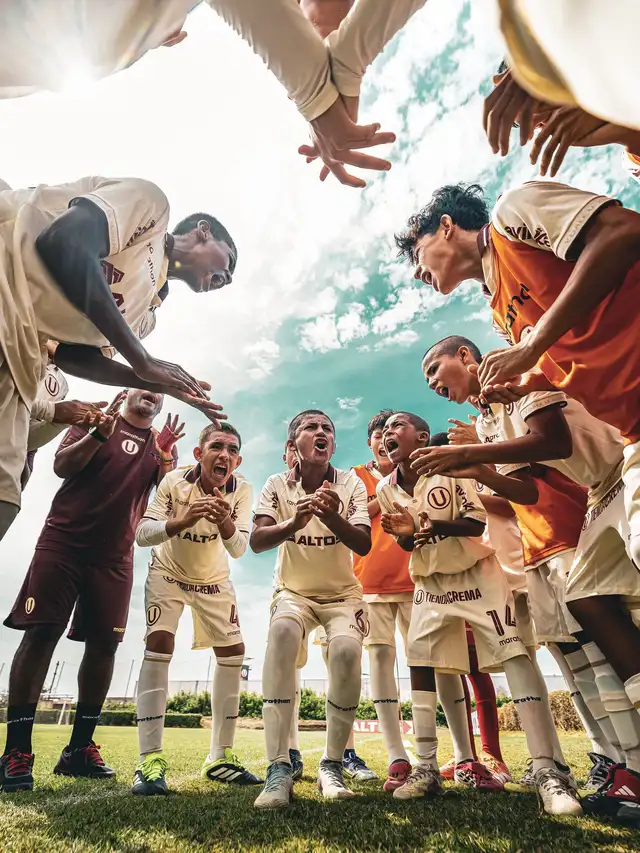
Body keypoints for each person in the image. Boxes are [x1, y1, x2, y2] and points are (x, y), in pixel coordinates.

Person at [416, 336, 640, 816]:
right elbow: (521, 492)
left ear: (467, 357)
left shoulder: (514, 373)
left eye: (435, 368)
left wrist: (468, 458)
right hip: (551, 537)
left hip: (599, 503)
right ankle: (618, 764)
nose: (432, 382)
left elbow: (553, 446)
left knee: (599, 643)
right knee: (579, 658)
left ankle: (628, 765)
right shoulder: (485, 418)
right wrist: (473, 465)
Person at [393, 181, 640, 572]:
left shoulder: (512, 214)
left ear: (446, 225)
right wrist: (528, 382)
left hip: (605, 470)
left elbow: (623, 231)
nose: (418, 271)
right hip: (631, 426)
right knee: (593, 593)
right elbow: (570, 356)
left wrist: (531, 348)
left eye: (418, 253)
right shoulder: (497, 307)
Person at [0, 175, 235, 543]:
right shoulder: (151, 206)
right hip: (5, 276)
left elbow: (70, 354)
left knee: (5, 498)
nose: (228, 278)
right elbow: (64, 241)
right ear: (204, 231)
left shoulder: (146, 313)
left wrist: (153, 381)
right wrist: (141, 360)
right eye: (229, 261)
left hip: (18, 352)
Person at [377, 411, 581, 815]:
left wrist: (432, 526)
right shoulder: (386, 488)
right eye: (384, 430)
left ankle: (546, 770)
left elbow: (473, 525)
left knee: (513, 655)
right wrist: (405, 534)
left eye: (397, 425)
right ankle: (427, 767)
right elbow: (408, 545)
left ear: (421, 436)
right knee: (420, 662)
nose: (387, 432)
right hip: (431, 583)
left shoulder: (451, 467)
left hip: (477, 575)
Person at [0, 389, 180, 792]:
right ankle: (16, 752)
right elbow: (62, 466)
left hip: (115, 557)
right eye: (143, 385)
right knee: (42, 633)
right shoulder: (93, 417)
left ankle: (79, 749)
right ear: (128, 391)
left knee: (104, 646)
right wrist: (99, 433)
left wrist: (167, 459)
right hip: (64, 543)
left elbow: (167, 503)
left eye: (157, 392)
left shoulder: (160, 446)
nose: (150, 393)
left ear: (161, 404)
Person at [250, 409, 371, 808]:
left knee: (347, 651)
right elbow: (258, 540)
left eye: (328, 429)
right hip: (293, 593)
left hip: (342, 595)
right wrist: (295, 520)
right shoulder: (276, 483)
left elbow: (363, 544)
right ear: (293, 444)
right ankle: (279, 767)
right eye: (311, 427)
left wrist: (330, 514)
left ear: (333, 444)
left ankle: (332, 765)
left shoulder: (351, 483)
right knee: (282, 633)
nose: (321, 432)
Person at [132, 421, 261, 794]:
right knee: (159, 645)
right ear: (198, 453)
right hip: (168, 573)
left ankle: (219, 757)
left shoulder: (242, 490)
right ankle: (149, 761)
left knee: (234, 653)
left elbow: (238, 549)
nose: (225, 455)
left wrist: (224, 522)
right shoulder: (174, 482)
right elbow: (142, 534)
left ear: (238, 461)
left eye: (233, 450)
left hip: (213, 580)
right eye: (217, 446)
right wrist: (182, 520)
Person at [428, 431, 512, 785]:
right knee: (452, 665)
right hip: (451, 578)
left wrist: (470, 489)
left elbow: (508, 505)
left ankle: (494, 754)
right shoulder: (436, 487)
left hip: (496, 573)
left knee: (481, 668)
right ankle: (467, 756)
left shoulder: (484, 473)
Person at [351, 410, 414, 791]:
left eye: (393, 432)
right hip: (371, 583)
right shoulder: (356, 477)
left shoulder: (416, 471)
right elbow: (357, 515)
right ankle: (396, 753)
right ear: (371, 442)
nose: (385, 439)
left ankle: (434, 752)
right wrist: (388, 488)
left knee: (429, 663)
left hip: (418, 579)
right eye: (379, 434)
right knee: (380, 663)